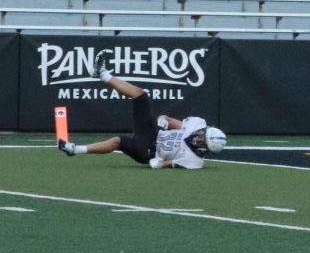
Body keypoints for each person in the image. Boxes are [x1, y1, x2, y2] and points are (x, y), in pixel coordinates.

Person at [58, 50, 226, 169]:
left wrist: (159, 163)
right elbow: (172, 122)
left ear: (206, 149)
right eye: (203, 135)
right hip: (153, 133)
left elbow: (169, 164)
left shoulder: (195, 161)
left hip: (147, 151)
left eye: (203, 142)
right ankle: (102, 74)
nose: (199, 138)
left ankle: (75, 149)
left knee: (118, 141)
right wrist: (164, 120)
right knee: (140, 95)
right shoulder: (197, 124)